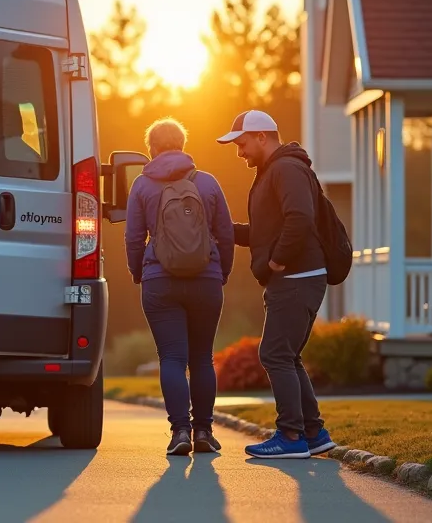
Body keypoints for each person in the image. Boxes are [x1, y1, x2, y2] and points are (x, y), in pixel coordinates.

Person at [216, 109, 337, 459]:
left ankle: (290, 436)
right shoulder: (277, 169)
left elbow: (299, 217)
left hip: (296, 277)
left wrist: (277, 260)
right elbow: (265, 232)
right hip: (299, 277)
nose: (239, 152)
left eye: (241, 144)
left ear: (262, 137)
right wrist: (225, 229)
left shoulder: (285, 168)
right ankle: (312, 433)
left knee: (274, 354)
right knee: (288, 356)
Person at [125, 117, 234, 456]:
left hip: (160, 282)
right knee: (202, 358)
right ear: (183, 147)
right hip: (206, 280)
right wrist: (220, 272)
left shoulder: (142, 186)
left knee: (171, 358)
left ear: (151, 150)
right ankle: (203, 430)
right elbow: (226, 234)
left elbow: (133, 237)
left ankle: (180, 433)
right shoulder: (208, 182)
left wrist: (138, 272)